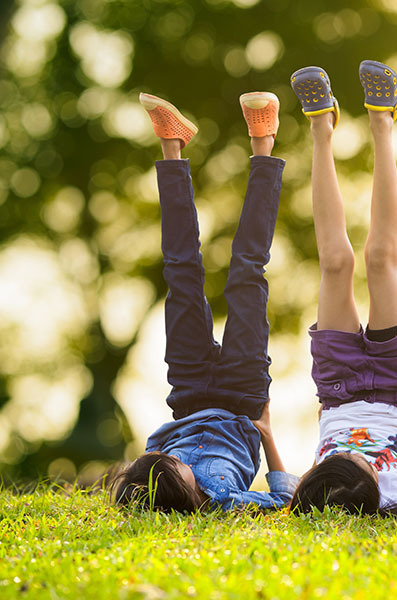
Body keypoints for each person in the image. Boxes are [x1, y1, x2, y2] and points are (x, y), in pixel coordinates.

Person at [112, 90, 297, 512]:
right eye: (174, 466)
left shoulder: (147, 484)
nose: (171, 461)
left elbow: (148, 467)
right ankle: (264, 143)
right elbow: (286, 499)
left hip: (189, 390)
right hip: (243, 396)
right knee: (247, 271)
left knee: (180, 273)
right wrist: (267, 435)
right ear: (187, 488)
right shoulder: (222, 500)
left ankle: (172, 144)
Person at [287, 61, 397, 514]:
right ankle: (382, 122)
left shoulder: (312, 496)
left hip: (339, 387)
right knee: (381, 259)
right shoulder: (392, 499)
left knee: (335, 263)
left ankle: (321, 127)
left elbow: (278, 489)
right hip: (395, 386)